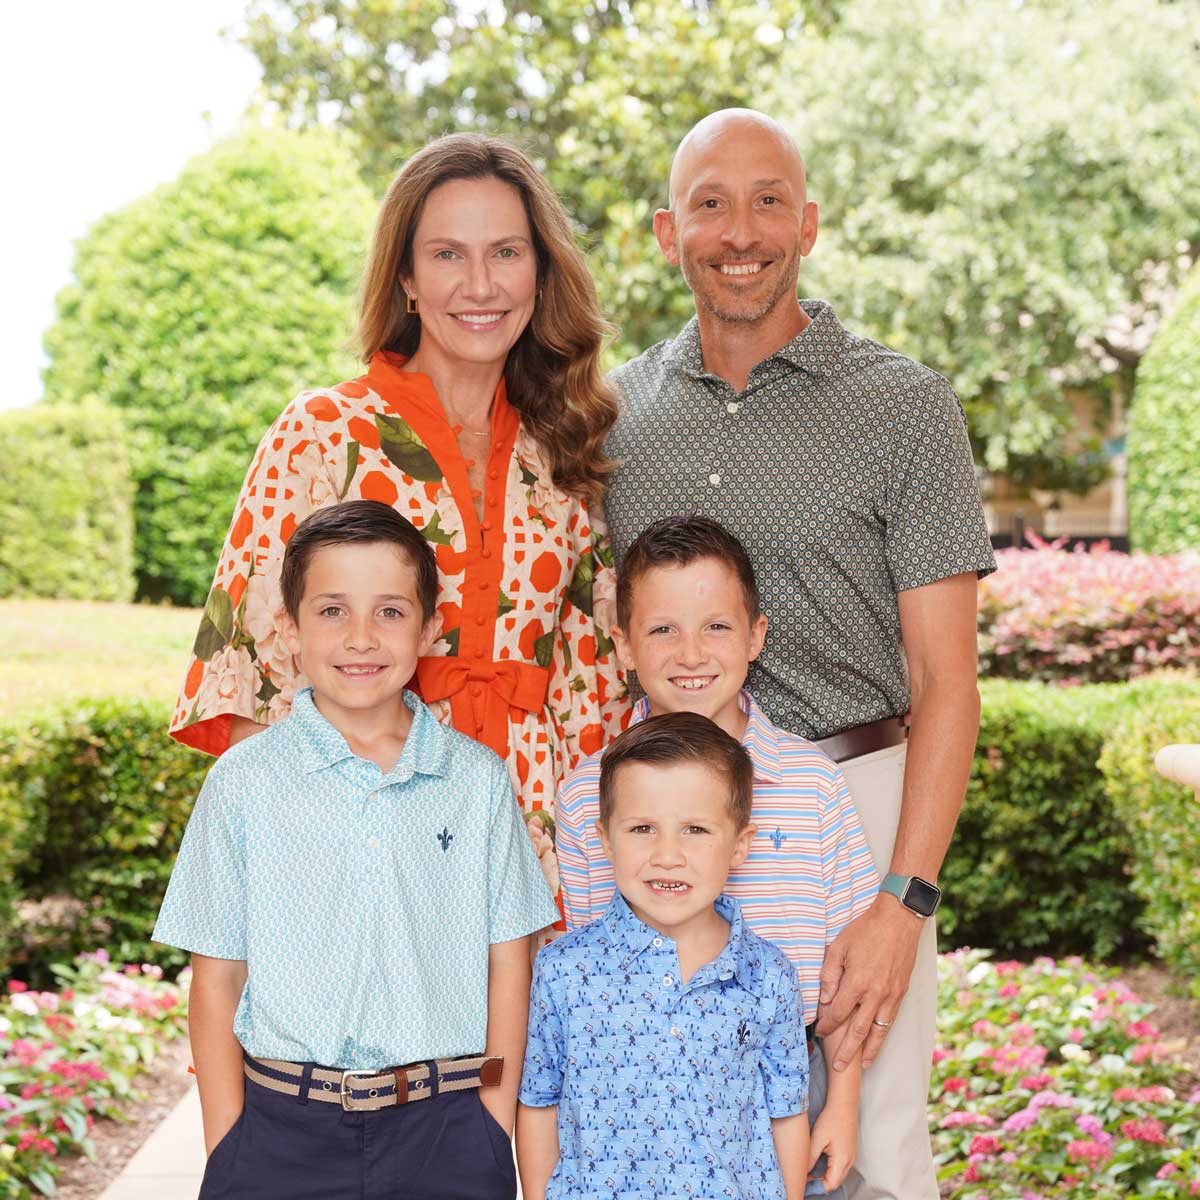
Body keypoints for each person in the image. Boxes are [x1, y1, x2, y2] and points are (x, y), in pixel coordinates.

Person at [603, 109, 997, 1199]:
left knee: (869, 1143)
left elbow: (948, 683)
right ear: (663, 229)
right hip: (669, 815)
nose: (742, 231)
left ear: (810, 222)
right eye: (711, 203)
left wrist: (900, 902)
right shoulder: (614, 414)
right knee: (669, 1132)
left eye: (769, 199)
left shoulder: (904, 407)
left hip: (856, 804)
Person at [169, 133, 629, 868]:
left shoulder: (562, 451)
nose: (480, 285)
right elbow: (250, 674)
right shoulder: (321, 433)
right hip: (359, 836)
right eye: (447, 254)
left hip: (534, 847)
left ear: (541, 275)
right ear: (407, 279)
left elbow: (595, 693)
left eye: (506, 252)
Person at [154, 501, 559, 1199]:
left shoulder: (477, 781)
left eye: (391, 612)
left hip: (449, 1130)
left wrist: (491, 1123)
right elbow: (216, 977)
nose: (362, 638)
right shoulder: (244, 783)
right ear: (290, 629)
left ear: (430, 628)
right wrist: (228, 1144)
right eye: (333, 611)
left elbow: (507, 963)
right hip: (279, 1131)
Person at [555, 514, 878, 1197]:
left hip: (791, 1082)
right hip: (638, 1097)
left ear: (757, 635)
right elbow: (588, 965)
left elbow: (850, 969)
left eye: (717, 627)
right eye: (663, 629)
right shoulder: (588, 793)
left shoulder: (812, 783)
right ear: (623, 643)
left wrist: (842, 1103)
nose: (691, 653)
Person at [518, 713, 812, 1200]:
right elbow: (539, 1103)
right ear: (606, 839)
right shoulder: (563, 970)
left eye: (695, 829)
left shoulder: (769, 976)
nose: (667, 854)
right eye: (642, 829)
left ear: (740, 846)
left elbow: (786, 1113)